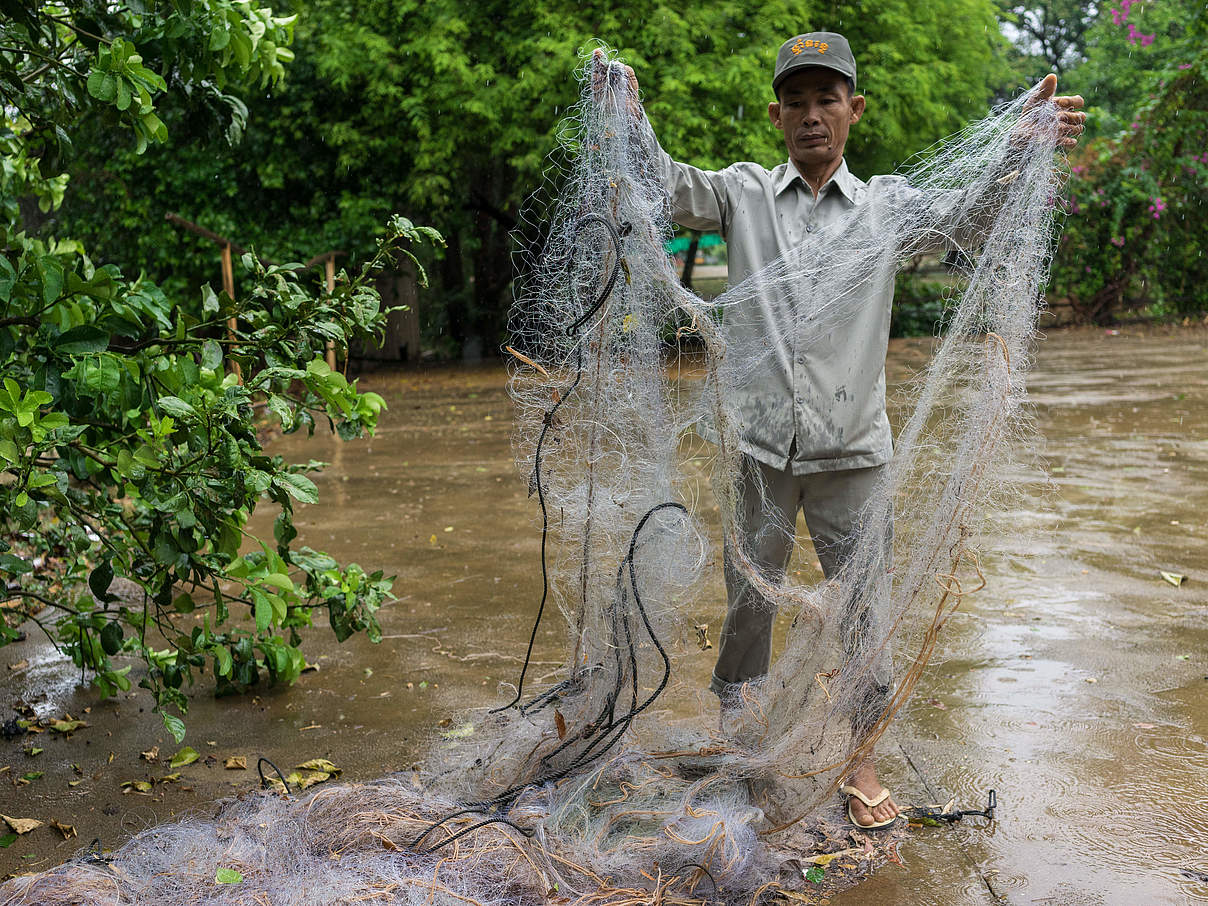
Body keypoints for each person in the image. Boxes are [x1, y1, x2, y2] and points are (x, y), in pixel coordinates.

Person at [599, 32, 1085, 828]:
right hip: (759, 447)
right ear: (775, 115)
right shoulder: (740, 193)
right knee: (748, 608)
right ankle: (741, 743)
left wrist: (1019, 148)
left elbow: (974, 208)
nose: (812, 114)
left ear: (855, 111)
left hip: (854, 451)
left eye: (828, 98)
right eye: (796, 100)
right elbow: (662, 185)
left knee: (864, 611)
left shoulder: (888, 205)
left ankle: (859, 761)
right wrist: (626, 113)